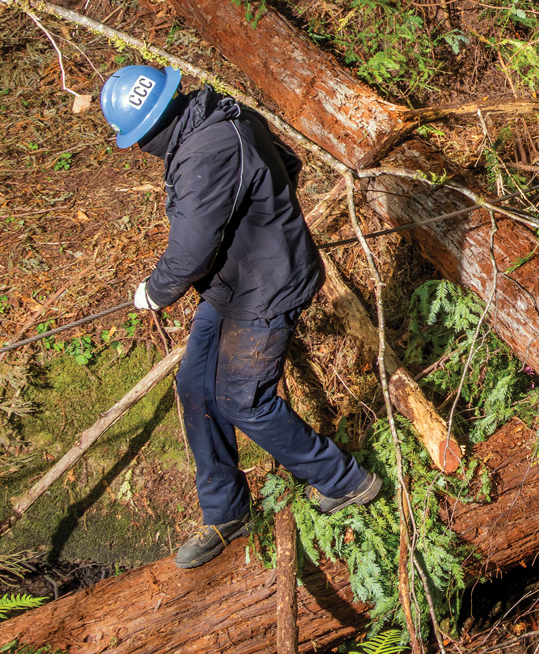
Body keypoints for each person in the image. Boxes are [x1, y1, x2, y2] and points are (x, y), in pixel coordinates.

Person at [101, 64, 382, 569]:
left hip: (267, 288)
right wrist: (261, 220)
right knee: (195, 387)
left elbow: (188, 253)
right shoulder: (219, 113)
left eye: (139, 140)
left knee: (242, 400)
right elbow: (289, 164)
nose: (141, 150)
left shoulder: (203, 155)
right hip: (234, 282)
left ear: (151, 130)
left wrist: (154, 293)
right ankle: (227, 511)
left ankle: (344, 481)